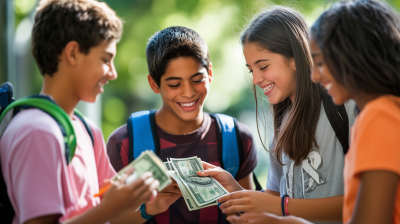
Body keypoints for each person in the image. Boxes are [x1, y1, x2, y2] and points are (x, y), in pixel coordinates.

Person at [209, 0, 400, 223]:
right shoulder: (283, 120)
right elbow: (277, 197)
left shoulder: (361, 110)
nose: (255, 79)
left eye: (263, 66)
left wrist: (286, 212)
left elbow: (362, 210)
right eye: (251, 70)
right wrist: (236, 190)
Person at [0, 1, 178, 223]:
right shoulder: (37, 131)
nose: (112, 73)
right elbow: (105, 211)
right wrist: (110, 207)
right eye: (105, 59)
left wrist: (149, 208)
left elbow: (110, 215)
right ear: (73, 53)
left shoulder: (87, 130)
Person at [106, 26, 258, 224]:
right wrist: (149, 208)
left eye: (197, 80)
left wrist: (235, 192)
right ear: (154, 84)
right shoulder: (125, 143)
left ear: (210, 73)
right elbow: (109, 218)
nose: (188, 93)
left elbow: (254, 217)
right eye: (174, 84)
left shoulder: (236, 138)